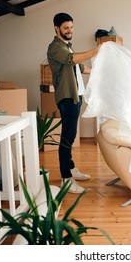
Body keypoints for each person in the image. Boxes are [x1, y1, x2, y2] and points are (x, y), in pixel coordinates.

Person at [47, 12, 99, 193]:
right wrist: (97, 50)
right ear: (57, 28)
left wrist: (100, 71)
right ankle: (66, 179)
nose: (70, 31)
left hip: (76, 96)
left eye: (71, 27)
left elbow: (81, 67)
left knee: (71, 134)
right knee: (67, 138)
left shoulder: (67, 46)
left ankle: (70, 168)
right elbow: (73, 59)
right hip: (67, 97)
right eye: (66, 28)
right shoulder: (55, 47)